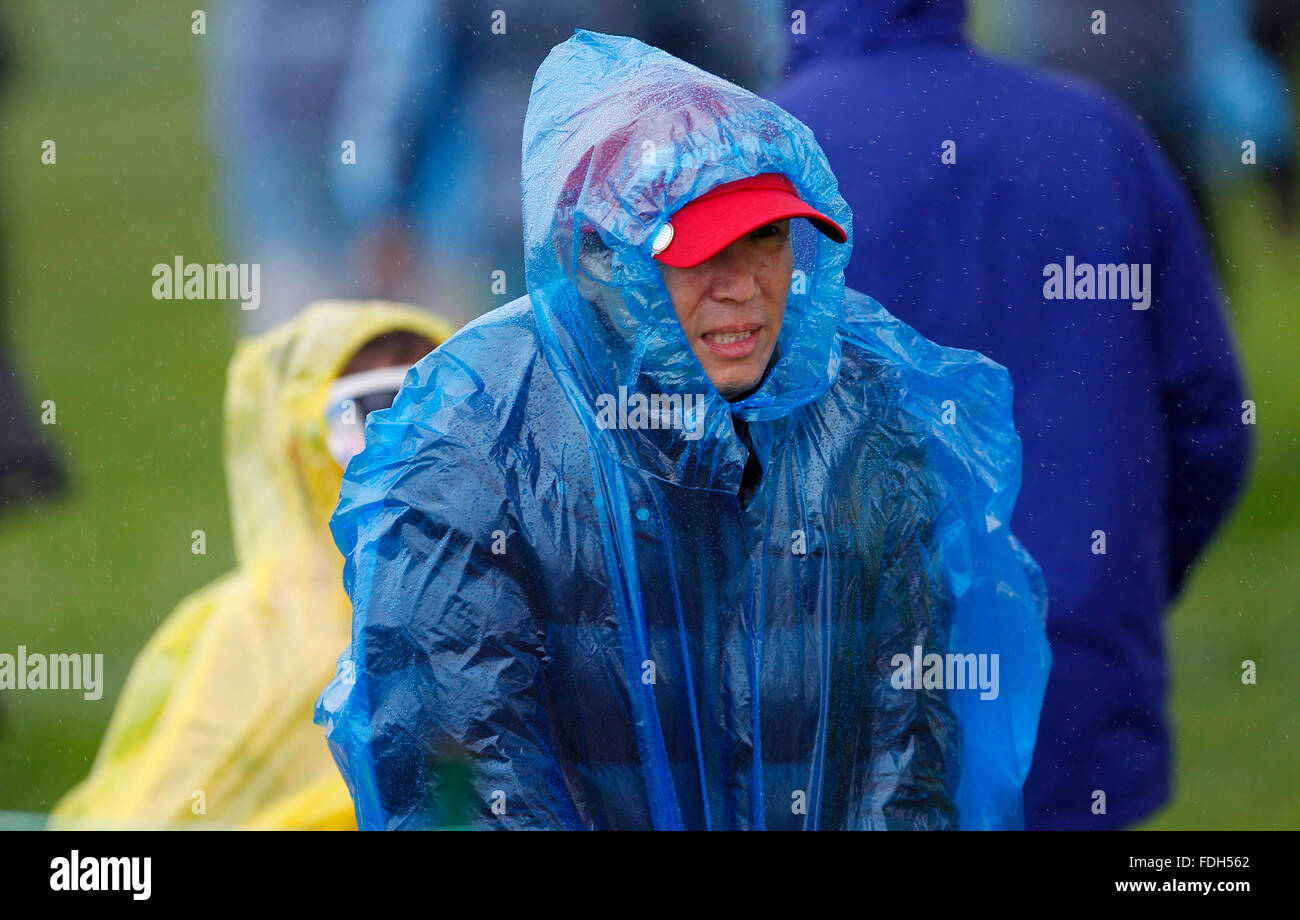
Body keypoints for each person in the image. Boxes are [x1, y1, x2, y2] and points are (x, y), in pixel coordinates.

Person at [317, 29, 1050, 831]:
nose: (742, 288)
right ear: (602, 257)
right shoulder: (474, 444)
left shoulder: (860, 422)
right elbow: (462, 768)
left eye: (766, 237)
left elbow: (905, 747)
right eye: (699, 249)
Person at [770, 0, 1251, 829]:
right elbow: (1209, 420)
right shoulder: (1099, 134)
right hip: (1074, 691)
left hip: (826, 707)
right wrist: (1112, 584)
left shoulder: (752, 164)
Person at [51, 301, 455, 829]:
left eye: (438, 402)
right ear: (297, 445)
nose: (409, 442)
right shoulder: (253, 632)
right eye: (374, 410)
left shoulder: (500, 586)